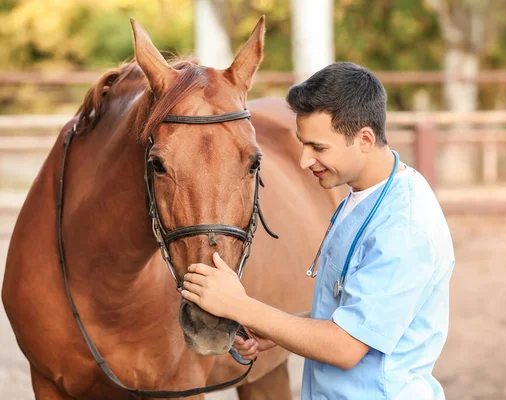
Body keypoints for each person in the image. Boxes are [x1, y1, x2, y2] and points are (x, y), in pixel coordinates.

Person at [181, 62, 455, 399]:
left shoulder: (405, 228)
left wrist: (241, 306)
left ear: (364, 139)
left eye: (319, 148)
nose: (304, 160)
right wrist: (275, 328)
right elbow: (358, 308)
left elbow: (345, 346)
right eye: (303, 145)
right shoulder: (363, 196)